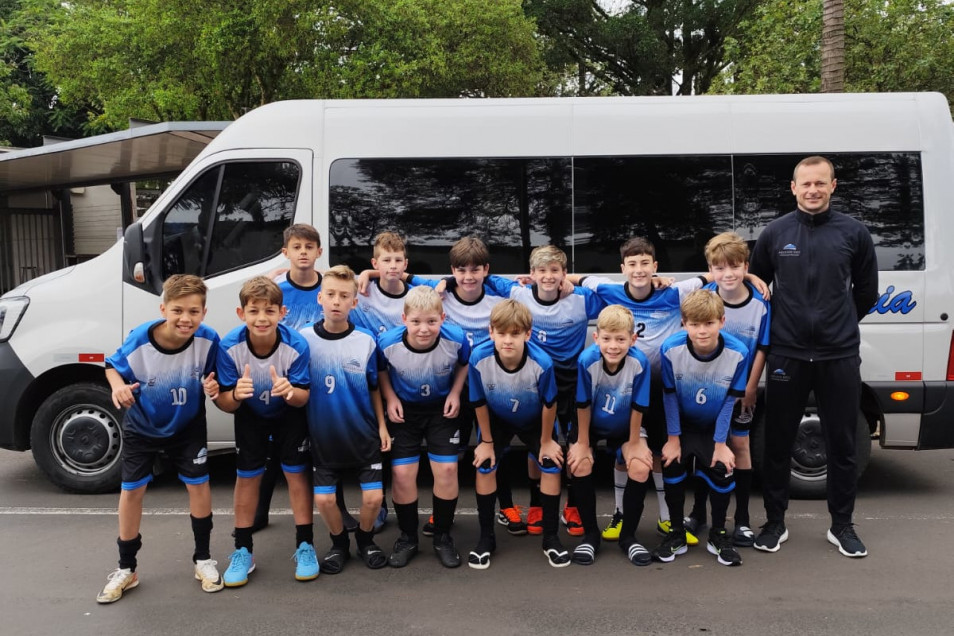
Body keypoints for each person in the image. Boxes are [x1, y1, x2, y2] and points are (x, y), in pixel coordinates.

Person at [749, 155, 878, 558]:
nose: (813, 190)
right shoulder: (775, 232)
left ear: (833, 186)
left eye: (820, 183)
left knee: (842, 442)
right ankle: (774, 522)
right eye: (806, 184)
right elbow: (758, 285)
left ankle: (842, 526)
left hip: (838, 354)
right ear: (793, 187)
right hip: (786, 353)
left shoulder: (854, 233)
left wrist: (835, 324)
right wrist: (789, 327)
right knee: (777, 441)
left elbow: (867, 293)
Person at [568, 238, 708, 545]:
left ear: (656, 267)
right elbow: (571, 277)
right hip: (621, 384)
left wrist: (751, 276)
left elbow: (713, 276)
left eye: (646, 264)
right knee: (624, 453)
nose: (639, 270)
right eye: (632, 264)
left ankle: (666, 517)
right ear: (622, 269)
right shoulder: (609, 290)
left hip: (660, 388)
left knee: (659, 453)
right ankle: (619, 514)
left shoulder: (673, 292)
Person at [97, 274, 224, 603]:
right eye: (178, 310)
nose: (186, 319)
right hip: (143, 425)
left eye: (194, 312)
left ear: (204, 312)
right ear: (163, 308)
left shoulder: (209, 340)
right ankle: (127, 568)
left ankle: (203, 559)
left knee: (199, 486)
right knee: (132, 491)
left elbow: (217, 381)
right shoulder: (141, 338)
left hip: (188, 426)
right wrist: (118, 386)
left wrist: (215, 389)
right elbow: (111, 366)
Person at [213, 276, 316, 587]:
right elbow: (225, 403)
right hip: (250, 416)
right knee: (247, 478)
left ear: (282, 313)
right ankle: (243, 551)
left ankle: (305, 545)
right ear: (241, 313)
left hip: (288, 414)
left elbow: (304, 398)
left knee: (296, 475)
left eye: (269, 311)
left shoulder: (296, 345)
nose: (261, 318)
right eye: (254, 311)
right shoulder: (229, 346)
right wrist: (234, 395)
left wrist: (289, 392)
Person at [299, 265, 391, 574]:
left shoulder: (365, 341)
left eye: (344, 296)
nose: (337, 301)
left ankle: (365, 540)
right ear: (320, 299)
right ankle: (339, 544)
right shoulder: (303, 340)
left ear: (355, 302)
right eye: (331, 295)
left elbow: (375, 388)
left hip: (363, 435)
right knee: (324, 502)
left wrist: (381, 426)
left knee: (374, 498)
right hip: (324, 439)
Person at [467, 300, 570, 569]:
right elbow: (478, 402)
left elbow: (550, 404)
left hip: (534, 420)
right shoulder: (479, 358)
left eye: (515, 334)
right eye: (501, 333)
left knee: (551, 464)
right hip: (498, 419)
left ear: (528, 334)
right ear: (491, 332)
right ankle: (486, 538)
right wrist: (486, 442)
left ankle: (551, 538)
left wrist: (547, 442)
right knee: (485, 465)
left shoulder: (541, 362)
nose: (507, 340)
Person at [652, 290, 749, 567]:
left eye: (709, 323)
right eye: (695, 324)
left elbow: (730, 402)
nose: (702, 331)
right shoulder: (671, 348)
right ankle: (676, 533)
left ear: (722, 321)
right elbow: (669, 396)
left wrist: (721, 443)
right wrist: (673, 438)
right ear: (684, 323)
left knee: (722, 467)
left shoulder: (738, 353)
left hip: (712, 427)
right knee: (671, 463)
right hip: (681, 425)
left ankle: (718, 534)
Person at [685, 232, 770, 548]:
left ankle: (744, 520)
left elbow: (762, 347)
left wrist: (751, 386)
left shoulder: (760, 303)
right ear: (711, 269)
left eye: (735, 267)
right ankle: (698, 513)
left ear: (745, 267)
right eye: (719, 268)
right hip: (705, 392)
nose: (728, 274)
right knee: (705, 450)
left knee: (740, 445)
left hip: (740, 391)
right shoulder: (704, 295)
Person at [378, 286, 470, 568]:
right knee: (403, 473)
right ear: (403, 319)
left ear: (442, 318)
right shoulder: (386, 343)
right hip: (405, 411)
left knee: (447, 469)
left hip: (441, 408)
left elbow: (464, 365)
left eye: (431, 321)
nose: (423, 329)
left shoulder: (456, 339)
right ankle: (408, 537)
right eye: (416, 321)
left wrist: (455, 392)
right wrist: (391, 397)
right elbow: (380, 371)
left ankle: (442, 536)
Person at [252, 223, 332, 533]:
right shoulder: (275, 289)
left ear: (318, 253)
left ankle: (337, 508)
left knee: (322, 446)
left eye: (309, 247)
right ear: (286, 252)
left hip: (320, 378)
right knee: (272, 449)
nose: (303, 253)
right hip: (280, 381)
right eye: (296, 247)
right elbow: (255, 311)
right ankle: (259, 512)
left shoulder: (328, 288)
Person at [567, 305, 654, 567]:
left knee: (640, 467)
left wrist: (636, 444)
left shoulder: (640, 363)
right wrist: (582, 444)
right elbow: (582, 404)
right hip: (590, 424)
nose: (613, 346)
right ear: (597, 338)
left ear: (633, 339)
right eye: (606, 339)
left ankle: (628, 536)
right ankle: (591, 536)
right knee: (579, 464)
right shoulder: (587, 360)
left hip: (626, 425)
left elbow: (639, 405)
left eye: (620, 339)